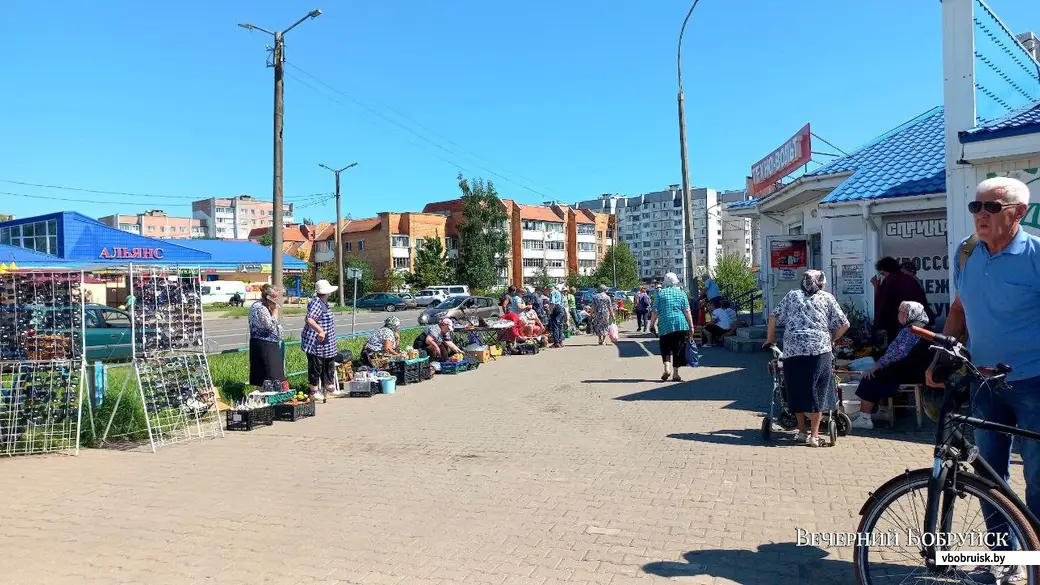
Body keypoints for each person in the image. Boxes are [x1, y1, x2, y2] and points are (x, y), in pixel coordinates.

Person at [926, 177, 1040, 580]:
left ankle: (1036, 561)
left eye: (991, 207)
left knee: (1038, 478)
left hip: (1033, 383)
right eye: (976, 207)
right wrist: (943, 355)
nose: (980, 216)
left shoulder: (1037, 255)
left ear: (1018, 213)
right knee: (989, 477)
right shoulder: (966, 252)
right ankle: (1004, 560)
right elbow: (959, 309)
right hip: (983, 383)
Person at [762, 270, 850, 447]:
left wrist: (770, 340)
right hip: (819, 351)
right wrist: (831, 339)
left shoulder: (793, 295)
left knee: (796, 390)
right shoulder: (827, 298)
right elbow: (845, 324)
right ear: (822, 283)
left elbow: (773, 316)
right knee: (817, 391)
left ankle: (802, 432)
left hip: (793, 350)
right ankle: (815, 435)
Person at [850, 301, 934, 430]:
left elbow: (894, 355)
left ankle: (864, 418)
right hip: (919, 372)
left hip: (907, 372)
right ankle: (883, 411)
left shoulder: (909, 331)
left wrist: (876, 367)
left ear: (912, 314)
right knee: (881, 372)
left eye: (903, 313)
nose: (899, 315)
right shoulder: (928, 330)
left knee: (871, 377)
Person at [872, 256, 933, 343]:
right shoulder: (911, 280)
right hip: (921, 323)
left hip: (900, 327)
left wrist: (877, 324)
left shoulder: (890, 281)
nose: (883, 275)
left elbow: (883, 305)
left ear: (887, 270)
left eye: (883, 273)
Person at [648, 272, 695, 382]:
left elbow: (655, 312)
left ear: (665, 282)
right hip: (680, 324)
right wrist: (691, 326)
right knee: (678, 349)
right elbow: (687, 311)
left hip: (665, 324)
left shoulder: (660, 294)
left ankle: (667, 368)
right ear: (675, 282)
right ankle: (676, 374)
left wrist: (652, 324)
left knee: (665, 347)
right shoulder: (681, 293)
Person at [302, 279, 338, 401]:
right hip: (316, 342)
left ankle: (329, 388)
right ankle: (314, 391)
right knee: (316, 365)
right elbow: (310, 319)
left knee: (328, 363)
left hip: (326, 342)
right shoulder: (317, 303)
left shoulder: (323, 303)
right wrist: (320, 331)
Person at [248, 284, 284, 388]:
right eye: (275, 296)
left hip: (266, 343)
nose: (277, 299)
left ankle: (268, 396)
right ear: (268, 296)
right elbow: (270, 326)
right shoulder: (261, 308)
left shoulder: (262, 305)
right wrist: (275, 312)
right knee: (268, 376)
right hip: (264, 344)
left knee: (271, 375)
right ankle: (266, 398)